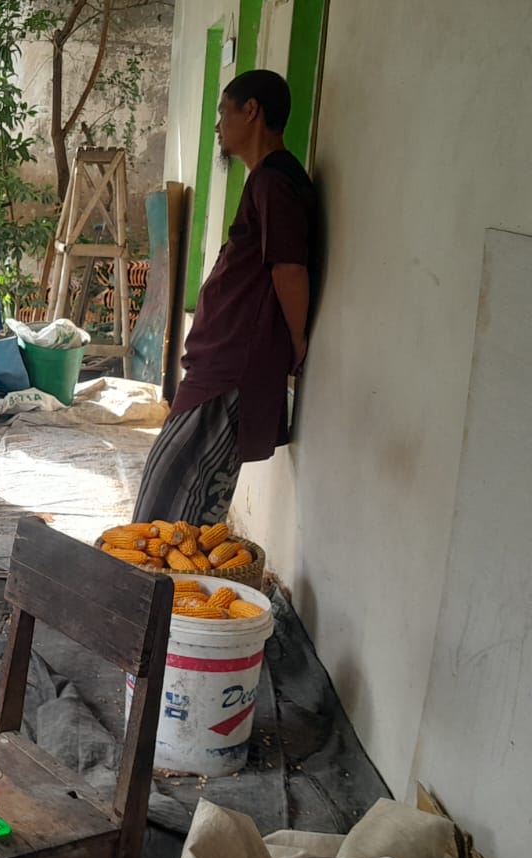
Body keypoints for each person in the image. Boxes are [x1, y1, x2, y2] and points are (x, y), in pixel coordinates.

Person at [135, 69, 317, 526]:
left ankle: (156, 575)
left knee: (169, 499)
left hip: (232, 365)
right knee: (181, 495)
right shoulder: (265, 180)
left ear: (251, 111)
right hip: (222, 358)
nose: (218, 126)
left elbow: (289, 268)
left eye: (224, 112)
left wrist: (296, 340)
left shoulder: (274, 182)